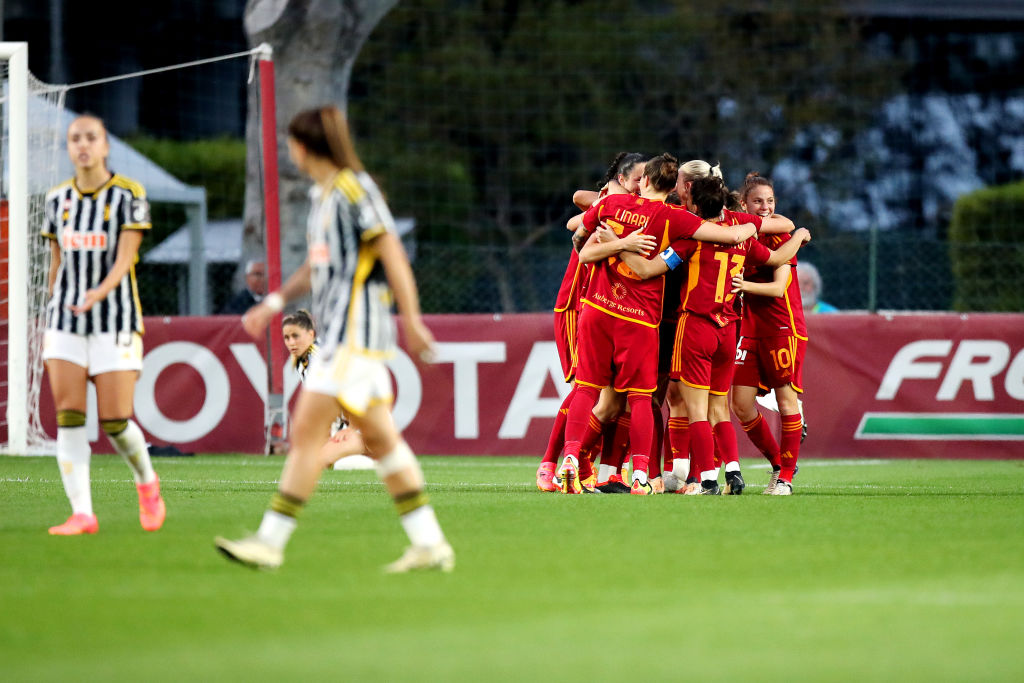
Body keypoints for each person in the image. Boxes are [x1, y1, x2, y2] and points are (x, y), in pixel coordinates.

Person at [215, 105, 453, 573]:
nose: (289, 151)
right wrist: (273, 301)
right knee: (383, 443)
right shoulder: (322, 196)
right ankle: (429, 543)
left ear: (303, 146)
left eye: (291, 143)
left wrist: (415, 320)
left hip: (353, 338)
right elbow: (316, 267)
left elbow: (393, 255)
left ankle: (269, 541)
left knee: (306, 435)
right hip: (343, 339)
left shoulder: (352, 189)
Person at [563, 153, 758, 496]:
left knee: (592, 393)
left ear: (645, 181)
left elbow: (579, 238)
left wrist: (616, 243)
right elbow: (650, 269)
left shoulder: (614, 203)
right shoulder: (678, 222)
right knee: (645, 399)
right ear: (675, 187)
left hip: (597, 308)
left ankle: (568, 461)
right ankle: (647, 476)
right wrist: (754, 224)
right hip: (646, 320)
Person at [612, 175, 810, 495]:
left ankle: (706, 479)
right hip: (729, 328)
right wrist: (798, 235)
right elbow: (774, 258)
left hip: (697, 326)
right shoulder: (742, 229)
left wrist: (618, 246)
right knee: (722, 408)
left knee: (696, 410)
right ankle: (733, 470)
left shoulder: (690, 239)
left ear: (694, 204)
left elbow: (648, 270)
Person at [42, 114, 166, 535]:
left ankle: (147, 484)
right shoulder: (56, 200)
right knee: (69, 414)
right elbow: (57, 261)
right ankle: (82, 513)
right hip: (65, 319)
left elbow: (126, 257)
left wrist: (99, 291)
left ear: (105, 145)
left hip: (115, 318)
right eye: (75, 138)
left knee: (115, 419)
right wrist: (52, 299)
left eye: (91, 137)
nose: (83, 145)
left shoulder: (130, 195)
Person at [536, 152, 648, 494]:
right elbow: (576, 215)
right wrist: (609, 203)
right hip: (578, 305)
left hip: (614, 307)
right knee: (582, 389)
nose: (643, 185)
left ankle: (591, 466)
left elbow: (581, 199)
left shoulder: (624, 206)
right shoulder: (613, 205)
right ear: (622, 178)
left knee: (616, 398)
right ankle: (551, 465)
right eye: (638, 178)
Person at [730, 173, 808, 495]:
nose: (765, 207)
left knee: (787, 401)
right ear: (744, 205)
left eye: (770, 201)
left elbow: (778, 288)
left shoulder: (780, 237)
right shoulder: (740, 233)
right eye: (758, 201)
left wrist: (741, 285)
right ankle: (779, 464)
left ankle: (786, 480)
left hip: (782, 328)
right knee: (741, 404)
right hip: (751, 330)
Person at [280, 309, 372, 470]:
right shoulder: (304, 359)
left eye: (296, 336)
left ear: (311, 334)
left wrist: (351, 427)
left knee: (316, 462)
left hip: (366, 424)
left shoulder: (319, 357)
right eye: (287, 338)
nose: (291, 343)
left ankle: (381, 463)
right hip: (348, 423)